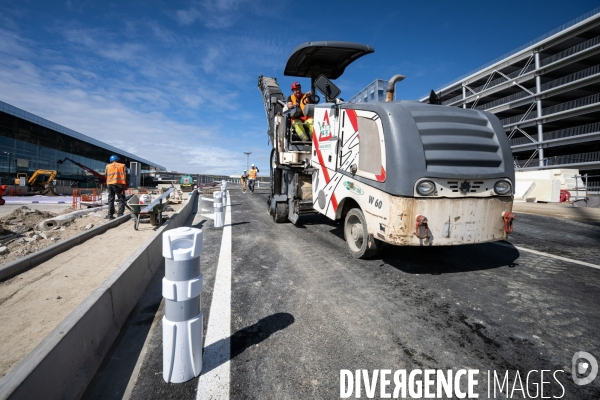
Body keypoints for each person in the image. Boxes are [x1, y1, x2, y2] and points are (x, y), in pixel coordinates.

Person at [105, 155, 127, 219]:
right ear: (117, 159)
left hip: (109, 184)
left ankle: (110, 215)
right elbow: (125, 175)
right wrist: (125, 185)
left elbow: (105, 175)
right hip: (119, 184)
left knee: (111, 200)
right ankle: (120, 214)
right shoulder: (122, 165)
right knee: (121, 199)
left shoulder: (107, 166)